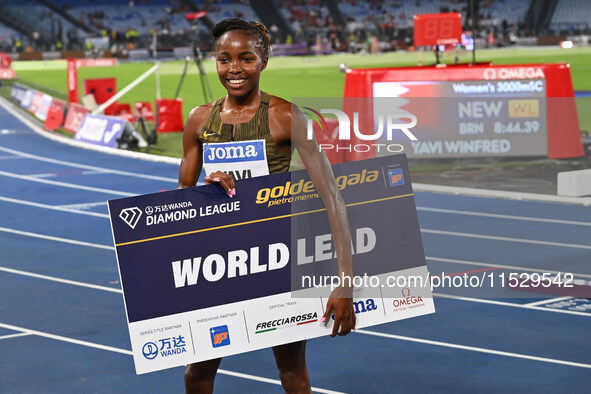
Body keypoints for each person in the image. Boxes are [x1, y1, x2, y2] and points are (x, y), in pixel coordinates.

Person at [177, 18, 355, 394]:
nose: (234, 69)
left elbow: (332, 197)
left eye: (246, 58)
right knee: (196, 375)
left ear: (264, 60)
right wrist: (208, 189)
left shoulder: (285, 116)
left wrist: (345, 282)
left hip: (276, 261)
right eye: (224, 59)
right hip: (220, 265)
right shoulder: (198, 119)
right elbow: (182, 202)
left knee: (291, 373)